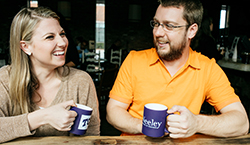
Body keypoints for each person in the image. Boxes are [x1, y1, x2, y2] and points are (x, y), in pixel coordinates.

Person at [106, 0, 249, 139]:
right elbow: (113, 111)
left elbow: (241, 123)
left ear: (191, 31)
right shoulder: (134, 60)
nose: (157, 32)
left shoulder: (207, 68)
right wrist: (145, 126)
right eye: (156, 23)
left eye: (169, 26)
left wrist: (197, 123)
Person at [0, 7, 100, 143]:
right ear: (26, 47)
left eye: (62, 34)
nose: (63, 43)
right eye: (50, 37)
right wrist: (44, 116)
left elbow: (91, 138)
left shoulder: (80, 81)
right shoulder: (4, 79)